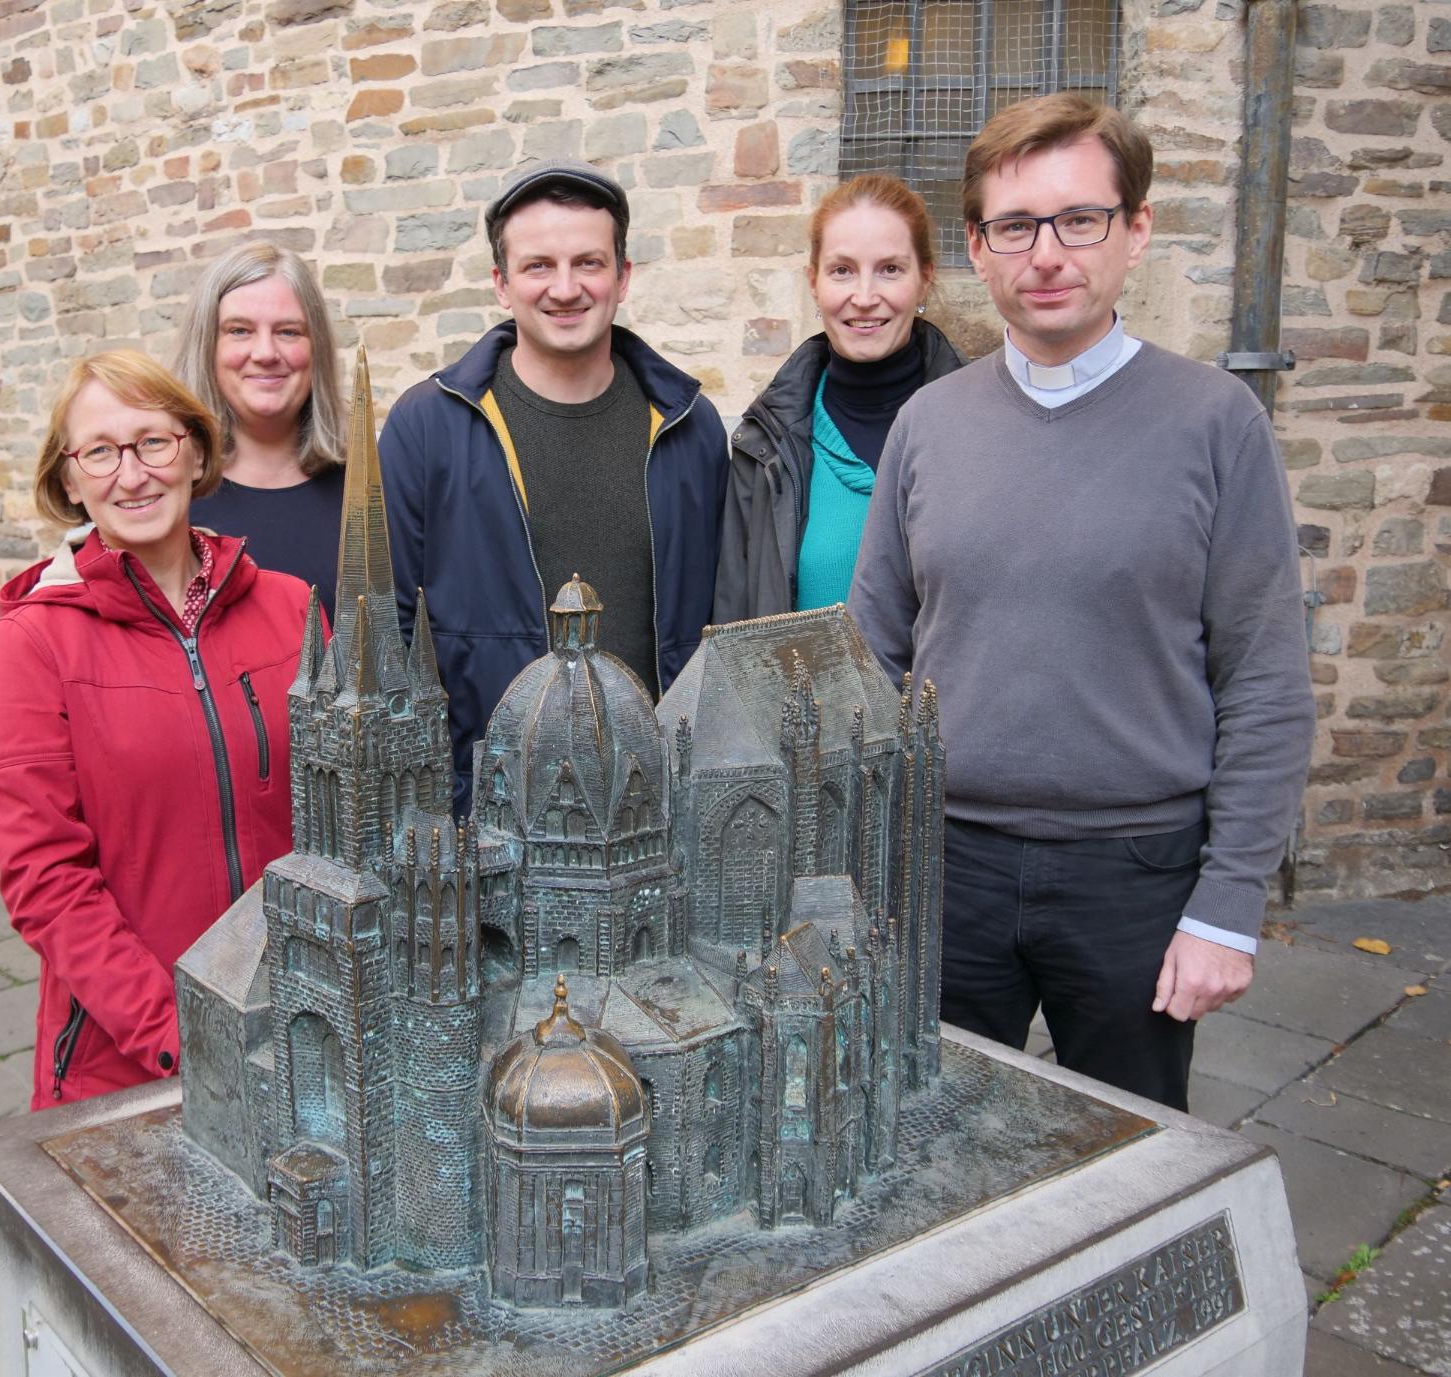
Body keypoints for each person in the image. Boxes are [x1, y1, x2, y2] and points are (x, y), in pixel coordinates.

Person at [848, 94, 1313, 1111]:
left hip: (1135, 879)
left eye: (1078, 219)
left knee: (1129, 1164)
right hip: (946, 872)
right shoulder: (928, 426)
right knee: (931, 1145)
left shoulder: (1213, 423)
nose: (1046, 254)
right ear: (976, 247)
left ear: (1132, 229)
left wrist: (1227, 905)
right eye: (1013, 227)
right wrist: (868, 870)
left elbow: (1265, 680)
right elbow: (868, 663)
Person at [0, 349, 310, 1109]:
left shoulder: (291, 609)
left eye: (153, 441)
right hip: (132, 1057)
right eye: (100, 451)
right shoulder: (33, 645)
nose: (132, 473)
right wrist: (179, 1034)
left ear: (194, 450)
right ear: (68, 478)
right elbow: (45, 879)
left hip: (301, 1033)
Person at [378, 160, 729, 813]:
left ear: (623, 278)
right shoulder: (425, 427)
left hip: (655, 817)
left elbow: (717, 622)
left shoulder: (689, 425)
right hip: (486, 819)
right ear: (501, 284)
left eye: (588, 264)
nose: (565, 288)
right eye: (538, 265)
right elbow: (391, 629)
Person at [715, 174, 963, 621]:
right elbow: (734, 627)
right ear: (814, 282)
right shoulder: (763, 445)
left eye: (890, 269)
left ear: (924, 278)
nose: (864, 297)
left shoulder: (981, 428)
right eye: (842, 270)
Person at [174, 242, 347, 619]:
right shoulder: (165, 490)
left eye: (288, 332)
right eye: (239, 331)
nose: (266, 352)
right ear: (207, 346)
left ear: (316, 349)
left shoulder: (372, 489)